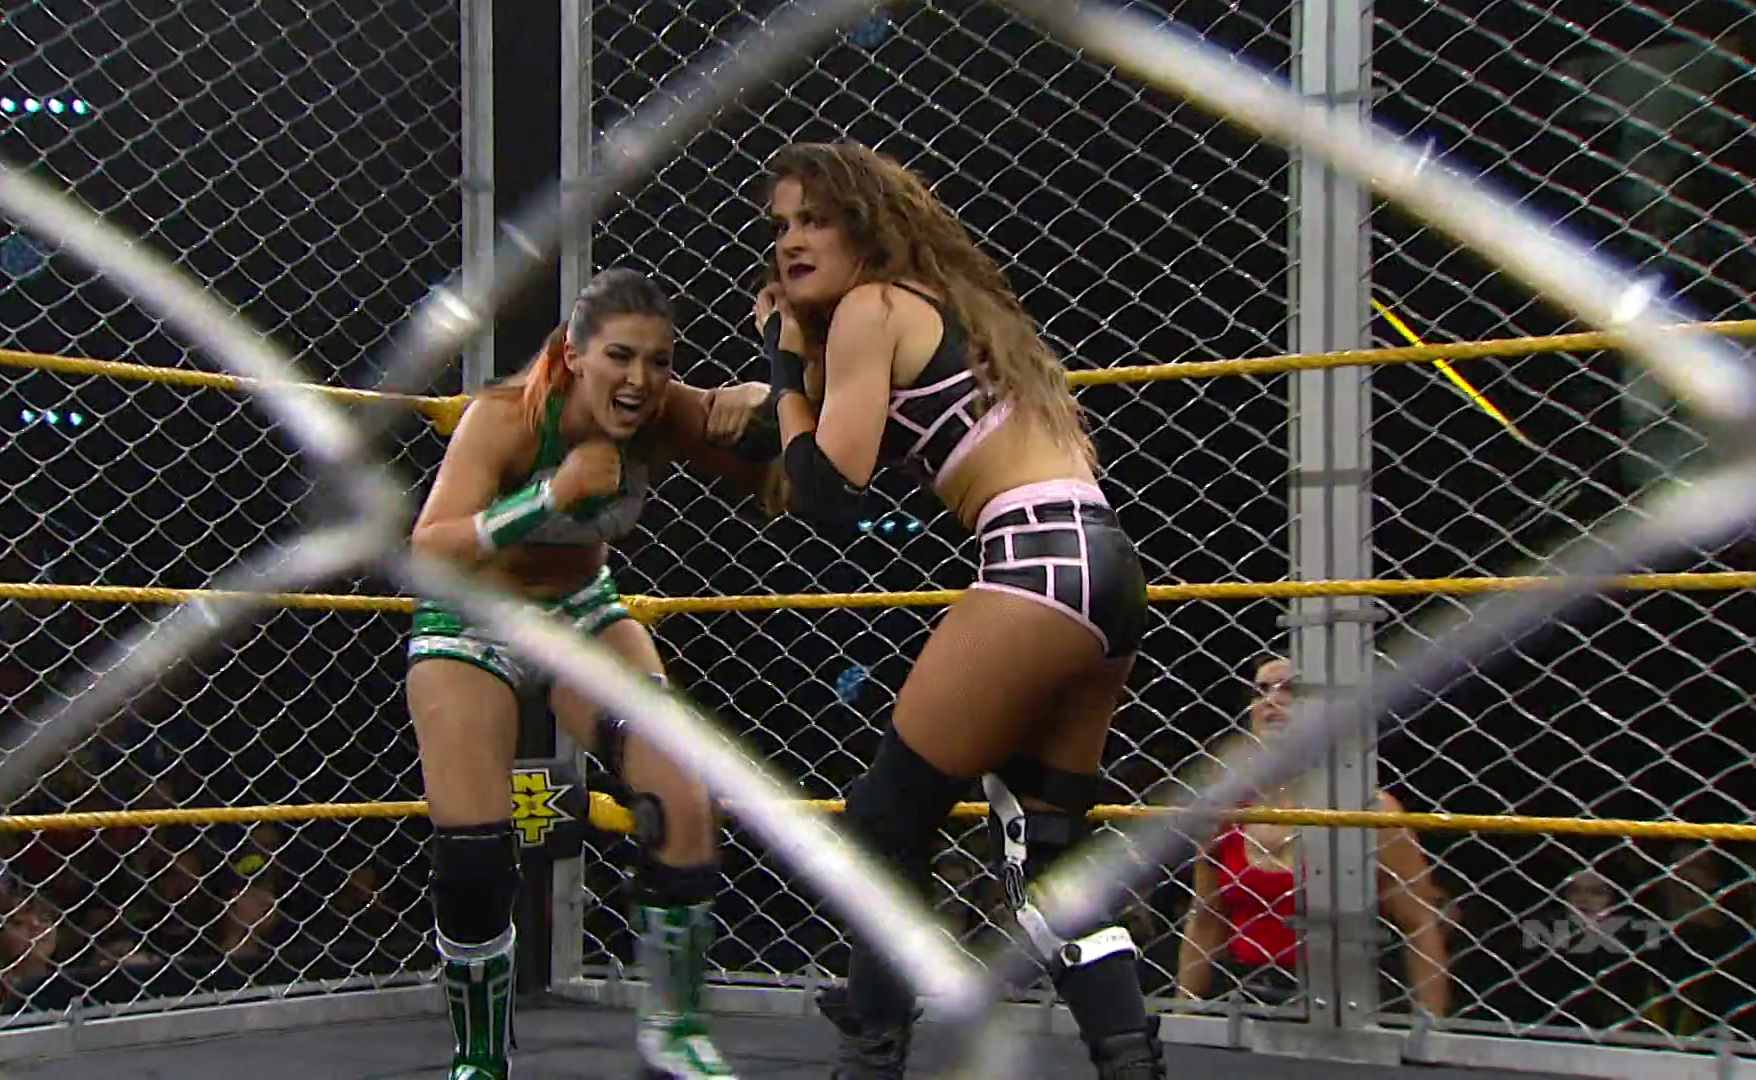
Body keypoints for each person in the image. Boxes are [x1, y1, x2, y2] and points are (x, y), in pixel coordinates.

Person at [749, 141, 1163, 1080]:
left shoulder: (872, 308)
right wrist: (791, 386)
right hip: (1106, 566)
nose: (791, 241)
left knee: (885, 820)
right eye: (780, 226)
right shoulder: (952, 310)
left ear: (866, 226)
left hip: (1032, 563)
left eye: (815, 220)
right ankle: (1130, 1063)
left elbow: (829, 491)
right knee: (1049, 850)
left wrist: (782, 365)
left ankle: (873, 1043)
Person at [406, 267, 780, 1080]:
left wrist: (772, 400)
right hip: (471, 618)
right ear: (574, 356)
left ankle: (674, 1037)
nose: (640, 380)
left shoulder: (665, 414)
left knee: (682, 791)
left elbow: (776, 474)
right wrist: (550, 495)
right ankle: (480, 1057)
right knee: (473, 857)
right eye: (619, 356)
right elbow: (428, 546)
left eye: (659, 361)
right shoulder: (505, 418)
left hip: (581, 611)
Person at [1173, 655, 1451, 1018]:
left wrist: (1431, 1030)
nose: (1272, 700)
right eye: (1261, 691)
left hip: (1342, 1002)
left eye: (1290, 689)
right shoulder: (1226, 810)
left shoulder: (1369, 810)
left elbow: (1420, 926)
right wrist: (1182, 1016)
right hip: (1241, 999)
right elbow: (1206, 919)